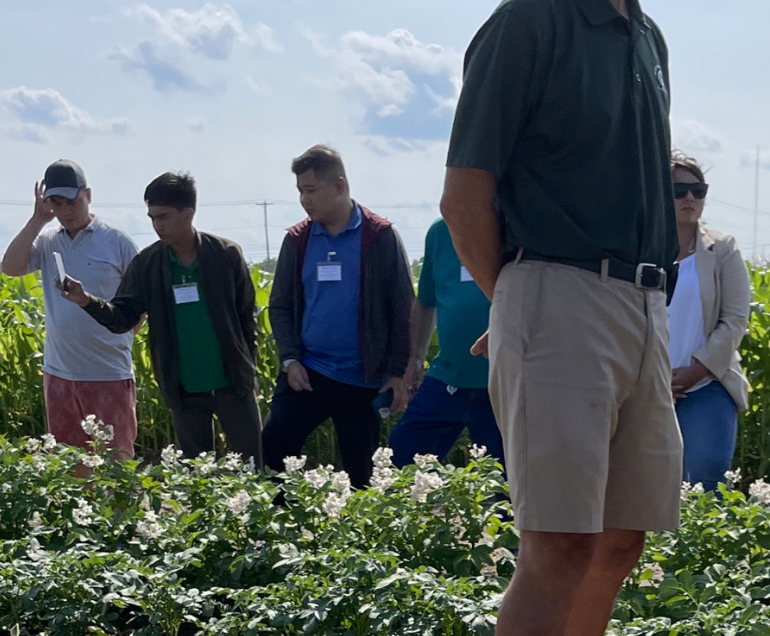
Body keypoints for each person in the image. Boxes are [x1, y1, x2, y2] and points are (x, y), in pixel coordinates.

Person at [441, 0, 682, 636]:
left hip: (637, 305)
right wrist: (522, 301)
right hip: (557, 292)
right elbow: (465, 192)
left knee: (617, 536)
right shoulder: (528, 17)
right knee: (553, 547)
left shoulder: (647, 35)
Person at [59, 173, 262, 463]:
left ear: (188, 213)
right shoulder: (148, 264)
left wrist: (247, 369)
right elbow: (122, 318)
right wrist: (85, 300)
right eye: (152, 217)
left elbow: (247, 319)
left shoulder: (225, 255)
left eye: (163, 216)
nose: (157, 225)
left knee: (252, 469)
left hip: (234, 386)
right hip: (184, 389)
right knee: (196, 479)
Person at [263, 144, 413, 489]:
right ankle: (281, 531)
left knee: (362, 472)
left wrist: (396, 372)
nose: (304, 199)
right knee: (274, 442)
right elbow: (280, 305)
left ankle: (360, 540)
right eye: (300, 191)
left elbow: (403, 306)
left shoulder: (379, 236)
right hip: (309, 372)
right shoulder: (298, 240)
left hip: (362, 378)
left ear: (340, 186)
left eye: (311, 190)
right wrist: (289, 359)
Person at [1, 160, 139, 457]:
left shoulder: (117, 242)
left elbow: (138, 308)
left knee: (115, 465)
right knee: (68, 470)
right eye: (56, 203)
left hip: (108, 374)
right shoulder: (48, 240)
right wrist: (38, 220)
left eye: (72, 202)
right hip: (60, 375)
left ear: (88, 194)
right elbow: (10, 267)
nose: (65, 211)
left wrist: (118, 338)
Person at [388, 218, 504, 468]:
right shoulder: (441, 232)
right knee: (400, 458)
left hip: (499, 384)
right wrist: (416, 359)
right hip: (447, 378)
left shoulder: (514, 226)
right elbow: (426, 301)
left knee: (504, 484)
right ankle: (433, 505)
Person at [666, 152, 750, 488]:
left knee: (706, 475)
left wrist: (690, 375)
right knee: (644, 489)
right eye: (679, 190)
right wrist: (655, 380)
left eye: (698, 190)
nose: (690, 197)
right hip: (644, 386)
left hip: (706, 383)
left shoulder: (722, 249)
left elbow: (734, 321)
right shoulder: (636, 249)